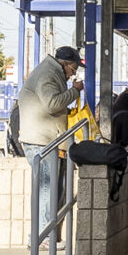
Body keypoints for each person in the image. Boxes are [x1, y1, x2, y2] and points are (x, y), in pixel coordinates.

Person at [15, 44, 79, 209]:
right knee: (47, 198)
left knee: (52, 196)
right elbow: (51, 103)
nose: (73, 74)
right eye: (74, 69)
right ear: (65, 64)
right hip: (41, 142)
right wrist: (75, 91)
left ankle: (47, 234)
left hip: (46, 141)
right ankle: (40, 235)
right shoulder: (48, 74)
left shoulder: (51, 72)